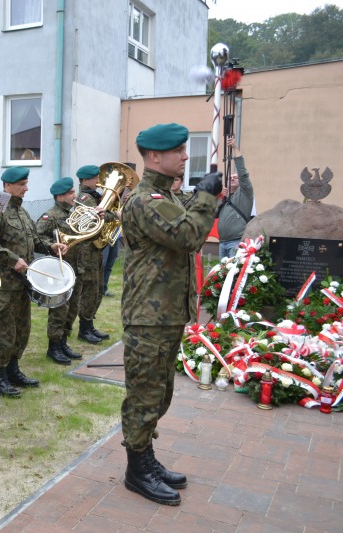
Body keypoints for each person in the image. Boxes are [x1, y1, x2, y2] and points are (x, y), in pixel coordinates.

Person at [121, 123, 221, 506]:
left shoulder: (165, 196)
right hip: (148, 315)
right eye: (178, 150)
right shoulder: (145, 200)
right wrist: (207, 197)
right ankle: (136, 470)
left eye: (185, 149)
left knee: (159, 394)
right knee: (144, 396)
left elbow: (184, 230)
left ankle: (145, 457)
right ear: (154, 157)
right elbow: (188, 236)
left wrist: (200, 196)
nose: (185, 156)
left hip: (163, 314)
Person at [0, 167, 68, 397]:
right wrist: (13, 260)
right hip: (6, 281)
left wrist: (51, 247)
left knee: (22, 328)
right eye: (22, 184)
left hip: (25, 281)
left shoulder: (20, 211)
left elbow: (33, 240)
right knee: (4, 329)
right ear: (8, 186)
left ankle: (13, 369)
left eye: (26, 183)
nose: (27, 187)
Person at [35, 177, 82, 365]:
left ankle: (63, 341)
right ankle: (53, 346)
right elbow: (37, 236)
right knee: (59, 309)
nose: (74, 195)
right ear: (60, 196)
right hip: (59, 269)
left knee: (72, 307)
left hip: (75, 267)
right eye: (71, 193)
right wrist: (52, 245)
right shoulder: (50, 216)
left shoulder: (72, 214)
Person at [73, 165, 114, 345]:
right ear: (85, 180)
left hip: (95, 249)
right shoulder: (84, 198)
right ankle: (84, 329)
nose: (99, 181)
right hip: (87, 250)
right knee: (90, 290)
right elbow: (97, 217)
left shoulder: (94, 197)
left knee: (97, 289)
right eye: (95, 178)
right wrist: (113, 214)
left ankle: (89, 325)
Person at [217, 135, 254, 259]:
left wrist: (235, 148)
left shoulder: (245, 192)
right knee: (223, 276)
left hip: (236, 242)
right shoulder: (225, 196)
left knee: (235, 275)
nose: (232, 178)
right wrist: (220, 199)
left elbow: (243, 173)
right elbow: (213, 214)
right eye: (230, 177)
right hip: (222, 243)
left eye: (235, 177)